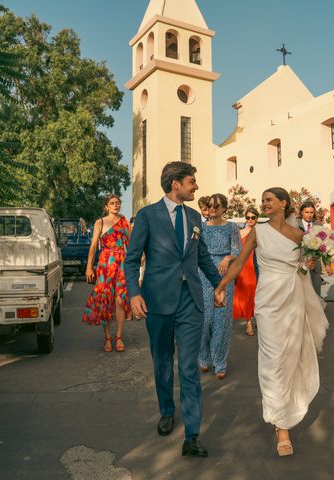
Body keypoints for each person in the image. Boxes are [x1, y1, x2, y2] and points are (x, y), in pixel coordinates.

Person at [214, 187, 328, 457]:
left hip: (293, 298)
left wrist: (310, 263)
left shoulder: (301, 236)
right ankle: (281, 426)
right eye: (262, 199)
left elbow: (303, 267)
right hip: (267, 301)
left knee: (291, 357)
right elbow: (240, 263)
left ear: (283, 204)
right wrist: (220, 286)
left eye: (269, 200)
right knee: (273, 359)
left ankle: (287, 413)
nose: (263, 203)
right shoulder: (258, 232)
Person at [124, 161, 221, 458]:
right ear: (176, 184)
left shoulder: (193, 217)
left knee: (189, 367)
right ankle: (167, 410)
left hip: (190, 300)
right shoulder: (147, 216)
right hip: (157, 300)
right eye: (192, 181)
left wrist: (219, 285)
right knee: (163, 362)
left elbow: (202, 257)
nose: (196, 186)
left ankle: (192, 435)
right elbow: (131, 260)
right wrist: (134, 294)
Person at [198, 193, 242, 379]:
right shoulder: (200, 228)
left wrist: (227, 258)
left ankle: (220, 362)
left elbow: (237, 249)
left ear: (224, 208)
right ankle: (203, 357)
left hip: (225, 275)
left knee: (221, 320)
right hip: (203, 274)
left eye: (216, 206)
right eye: (209, 206)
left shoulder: (232, 227)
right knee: (205, 318)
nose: (212, 209)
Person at [82, 195, 130, 353]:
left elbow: (133, 244)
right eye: (112, 203)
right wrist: (89, 266)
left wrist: (137, 262)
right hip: (104, 266)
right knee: (106, 302)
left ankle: (119, 337)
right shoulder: (100, 222)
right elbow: (94, 245)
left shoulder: (125, 222)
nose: (115, 205)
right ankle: (107, 338)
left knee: (120, 300)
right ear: (106, 207)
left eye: (117, 203)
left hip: (121, 264)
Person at [233, 207, 259, 336]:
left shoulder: (260, 232)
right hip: (243, 267)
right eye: (248, 217)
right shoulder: (240, 232)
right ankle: (248, 321)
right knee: (244, 293)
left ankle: (254, 319)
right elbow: (235, 251)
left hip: (256, 266)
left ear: (257, 219)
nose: (250, 220)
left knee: (255, 293)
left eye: (252, 217)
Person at [298, 201, 323, 296]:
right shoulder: (296, 225)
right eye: (307, 212)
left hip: (315, 265)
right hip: (301, 263)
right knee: (302, 293)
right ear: (301, 212)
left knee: (316, 294)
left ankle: (318, 310)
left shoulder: (319, 225)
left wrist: (327, 264)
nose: (309, 215)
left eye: (311, 212)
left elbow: (323, 245)